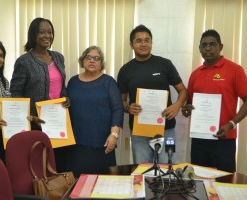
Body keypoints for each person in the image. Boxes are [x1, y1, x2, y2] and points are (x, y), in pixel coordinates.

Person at [117, 25, 188, 164]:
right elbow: (121, 101)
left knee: (168, 169)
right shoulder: (125, 70)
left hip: (166, 130)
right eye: (139, 41)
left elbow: (183, 91)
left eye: (147, 40)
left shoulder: (165, 64)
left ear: (151, 42)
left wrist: (177, 105)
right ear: (131, 45)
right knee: (143, 170)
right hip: (139, 131)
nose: (143, 44)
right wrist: (128, 108)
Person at [182, 29, 247, 172]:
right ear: (199, 49)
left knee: (225, 182)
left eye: (212, 44)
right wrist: (186, 109)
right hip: (200, 139)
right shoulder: (195, 74)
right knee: (198, 182)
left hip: (224, 138)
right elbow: (190, 104)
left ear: (221, 47)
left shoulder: (235, 70)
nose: (208, 48)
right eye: (204, 45)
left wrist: (231, 124)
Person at [10, 17, 70, 172]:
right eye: (42, 32)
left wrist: (66, 98)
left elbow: (60, 86)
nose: (47, 36)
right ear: (33, 35)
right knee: (40, 167)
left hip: (58, 121)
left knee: (60, 164)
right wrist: (30, 115)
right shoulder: (24, 61)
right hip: (36, 123)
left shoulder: (58, 57)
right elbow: (15, 93)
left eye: (50, 32)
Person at [66, 46, 124, 177]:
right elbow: (66, 105)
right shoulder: (73, 82)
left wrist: (114, 135)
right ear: (83, 60)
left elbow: (117, 109)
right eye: (89, 57)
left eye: (97, 58)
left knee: (102, 184)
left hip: (102, 143)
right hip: (76, 144)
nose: (92, 61)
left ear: (101, 63)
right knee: (78, 184)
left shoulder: (108, 82)